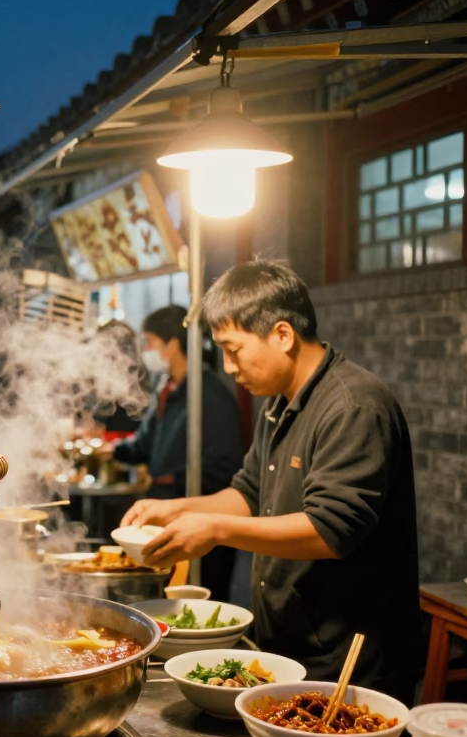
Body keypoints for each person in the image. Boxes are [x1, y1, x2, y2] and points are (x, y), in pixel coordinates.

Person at [121, 260, 421, 704]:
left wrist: (216, 531)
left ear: (282, 335)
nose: (228, 366)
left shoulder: (353, 406)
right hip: (288, 643)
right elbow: (248, 492)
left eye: (233, 349)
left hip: (347, 663)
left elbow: (330, 530)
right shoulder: (279, 404)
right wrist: (178, 509)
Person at [111, 305, 244, 601]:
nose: (145, 351)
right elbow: (143, 445)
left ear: (172, 344)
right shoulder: (165, 388)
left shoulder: (209, 394)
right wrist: (109, 449)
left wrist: (170, 488)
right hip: (167, 520)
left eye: (149, 342)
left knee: (205, 605)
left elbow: (225, 468)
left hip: (205, 526)